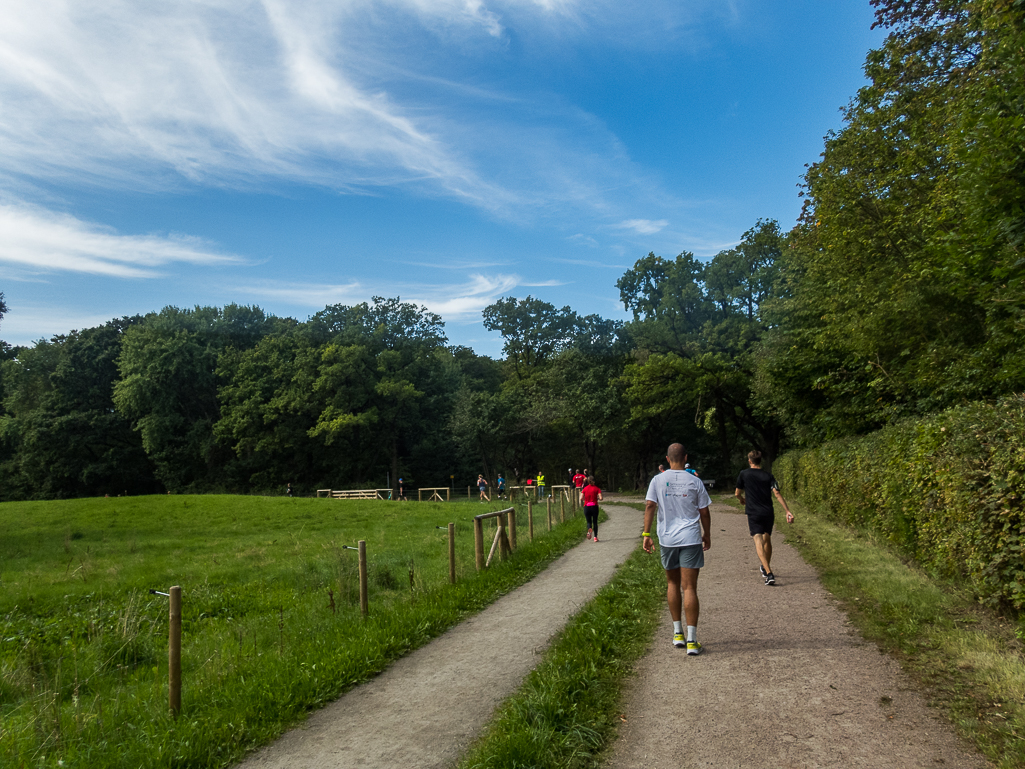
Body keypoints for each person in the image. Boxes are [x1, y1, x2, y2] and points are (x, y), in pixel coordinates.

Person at [643, 443, 712, 654]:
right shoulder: (695, 481)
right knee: (689, 587)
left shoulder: (657, 480)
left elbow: (649, 506)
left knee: (672, 583)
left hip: (667, 540)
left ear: (667, 458)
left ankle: (677, 634)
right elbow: (704, 512)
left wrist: (646, 535)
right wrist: (707, 534)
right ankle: (692, 640)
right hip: (690, 538)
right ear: (685, 457)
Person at [735, 450, 794, 586]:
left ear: (750, 461)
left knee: (758, 540)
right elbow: (777, 493)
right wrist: (787, 511)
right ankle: (765, 565)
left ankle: (769, 573)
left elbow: (737, 493)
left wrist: (741, 499)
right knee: (767, 538)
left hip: (753, 512)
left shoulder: (744, 474)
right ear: (760, 461)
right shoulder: (768, 476)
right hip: (768, 512)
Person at [580, 475, 603, 542]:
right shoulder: (597, 489)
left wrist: (585, 499)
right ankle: (595, 537)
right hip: (594, 506)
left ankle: (589, 529)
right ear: (594, 481)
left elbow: (581, 498)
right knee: (595, 522)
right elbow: (601, 498)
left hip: (587, 506)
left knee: (589, 521)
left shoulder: (585, 489)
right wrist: (598, 498)